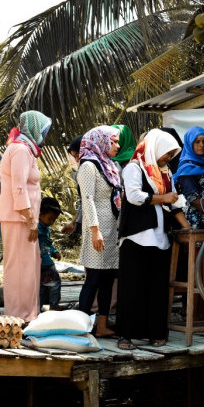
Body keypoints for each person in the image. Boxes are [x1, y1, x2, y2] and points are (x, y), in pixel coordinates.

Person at [116, 128, 190, 349]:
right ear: (155, 147)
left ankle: (156, 332)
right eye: (167, 153)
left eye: (171, 155)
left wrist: (187, 229)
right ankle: (126, 335)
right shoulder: (134, 168)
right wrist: (163, 198)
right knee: (132, 287)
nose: (169, 158)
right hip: (137, 236)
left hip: (160, 237)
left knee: (157, 286)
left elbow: (173, 202)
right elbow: (134, 197)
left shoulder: (165, 173)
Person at [0, 110, 52, 322]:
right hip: (18, 218)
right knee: (20, 269)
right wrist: (30, 221)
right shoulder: (20, 149)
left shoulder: (26, 149)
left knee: (28, 268)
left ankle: (28, 314)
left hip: (23, 217)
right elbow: (18, 188)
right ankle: (18, 316)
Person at [77, 126, 121, 338]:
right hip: (97, 229)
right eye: (113, 141)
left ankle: (102, 326)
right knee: (93, 278)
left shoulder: (110, 165)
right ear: (101, 141)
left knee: (107, 280)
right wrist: (95, 230)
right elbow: (88, 200)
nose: (117, 146)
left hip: (112, 228)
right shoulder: (88, 165)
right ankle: (81, 327)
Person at [173, 126, 204, 229]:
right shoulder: (187, 168)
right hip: (197, 224)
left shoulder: (203, 165)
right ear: (190, 144)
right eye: (197, 142)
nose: (202, 145)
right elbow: (194, 199)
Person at [38, 196, 63, 310]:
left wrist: (54, 252)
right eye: (50, 219)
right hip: (43, 263)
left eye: (54, 220)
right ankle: (53, 305)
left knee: (42, 286)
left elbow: (47, 244)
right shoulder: (36, 228)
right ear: (40, 214)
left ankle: (39, 308)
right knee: (54, 284)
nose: (52, 222)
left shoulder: (46, 228)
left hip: (46, 261)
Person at [61, 135, 83, 236]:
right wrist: (74, 222)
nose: (77, 159)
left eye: (78, 155)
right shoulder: (80, 171)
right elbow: (83, 201)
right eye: (74, 157)